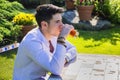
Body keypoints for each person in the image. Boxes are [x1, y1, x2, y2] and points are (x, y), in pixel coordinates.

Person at [13, 4, 77, 80]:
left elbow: (73, 49)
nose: (62, 25)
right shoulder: (32, 41)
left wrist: (65, 58)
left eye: (61, 21)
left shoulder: (51, 34)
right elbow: (56, 69)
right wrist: (61, 39)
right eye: (57, 22)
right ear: (44, 25)